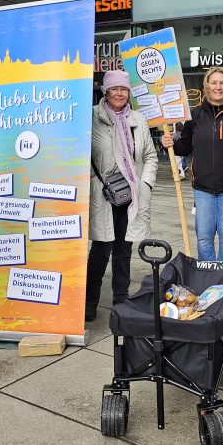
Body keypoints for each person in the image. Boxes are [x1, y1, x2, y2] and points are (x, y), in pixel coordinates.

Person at [86, 70, 158, 322]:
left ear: (129, 93)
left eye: (124, 89)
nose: (119, 93)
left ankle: (121, 302)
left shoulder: (138, 119)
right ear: (106, 91)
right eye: (114, 89)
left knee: (123, 250)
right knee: (100, 250)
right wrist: (93, 182)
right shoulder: (91, 118)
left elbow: (150, 156)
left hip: (130, 195)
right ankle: (89, 303)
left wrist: (145, 183)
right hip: (102, 194)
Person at [162, 66, 223, 262]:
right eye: (213, 82)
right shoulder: (195, 114)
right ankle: (207, 283)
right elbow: (184, 147)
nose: (218, 87)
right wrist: (168, 144)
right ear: (207, 86)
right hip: (203, 189)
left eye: (222, 83)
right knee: (204, 239)